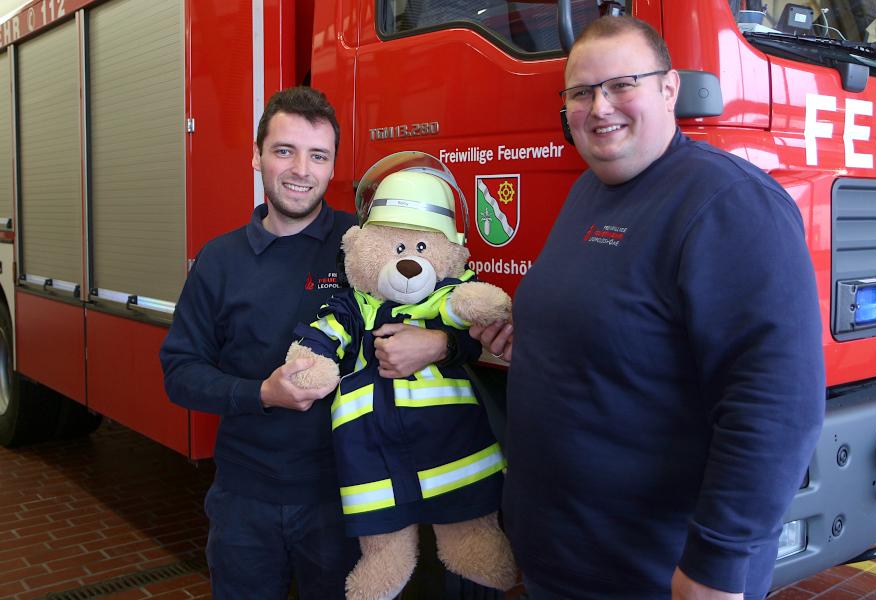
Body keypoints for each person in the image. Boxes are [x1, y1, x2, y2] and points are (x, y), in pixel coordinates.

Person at [472, 15, 825, 600]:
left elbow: (776, 406)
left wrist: (717, 565)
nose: (600, 107)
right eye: (581, 92)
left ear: (669, 89)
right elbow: (621, 328)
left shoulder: (729, 204)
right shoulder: (591, 189)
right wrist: (535, 336)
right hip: (564, 560)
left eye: (622, 85)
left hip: (654, 574)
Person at [159, 86, 477, 599]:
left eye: (318, 155)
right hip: (245, 499)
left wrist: (440, 345)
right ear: (257, 155)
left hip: (349, 495)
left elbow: (458, 319)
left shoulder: (369, 246)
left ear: (333, 168)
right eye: (284, 150)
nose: (300, 169)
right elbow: (180, 371)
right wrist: (262, 393)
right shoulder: (218, 261)